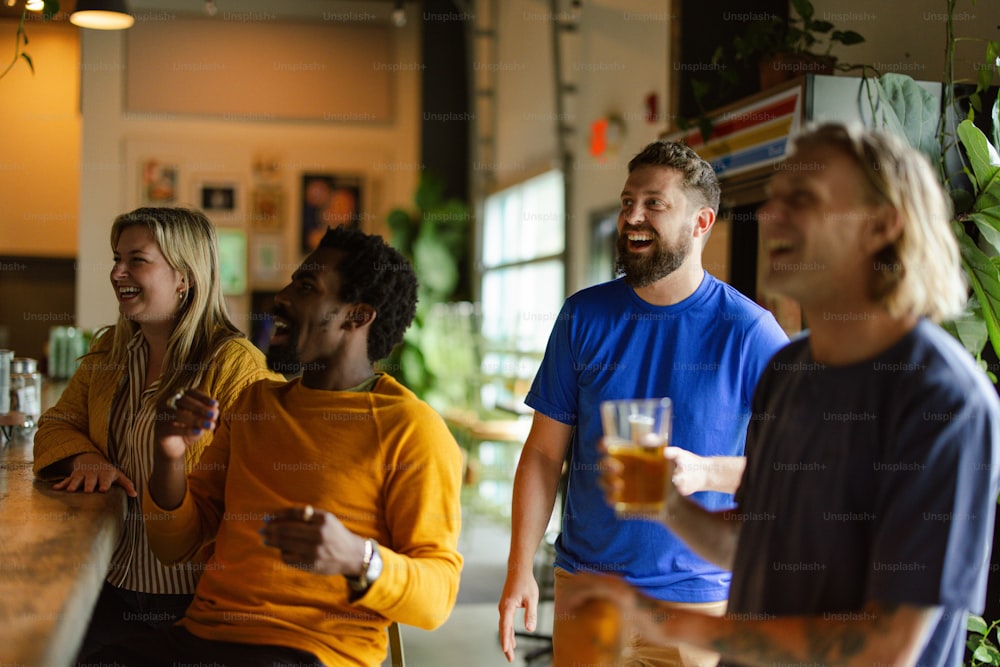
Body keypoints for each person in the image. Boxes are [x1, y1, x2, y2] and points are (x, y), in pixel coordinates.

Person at [571, 123, 1000, 667]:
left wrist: (664, 620)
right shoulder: (790, 369)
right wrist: (667, 504)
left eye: (803, 200)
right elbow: (760, 549)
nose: (771, 215)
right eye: (776, 199)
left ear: (881, 225)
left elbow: (886, 646)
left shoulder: (943, 401)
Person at [83, 225, 464, 666]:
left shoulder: (412, 429)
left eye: (305, 287)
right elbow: (176, 545)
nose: (281, 297)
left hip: (311, 652)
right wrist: (167, 455)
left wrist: (358, 557)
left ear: (357, 316)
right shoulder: (254, 403)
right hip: (201, 639)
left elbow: (437, 598)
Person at [498, 140, 789, 665]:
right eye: (628, 201)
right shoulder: (582, 317)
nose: (632, 216)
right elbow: (544, 453)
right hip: (586, 588)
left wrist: (705, 473)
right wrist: (521, 566)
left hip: (697, 600)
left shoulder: (749, 332)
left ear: (702, 222)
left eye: (654, 203)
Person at [33, 207, 280, 656]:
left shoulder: (236, 366)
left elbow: (264, 489)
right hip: (113, 583)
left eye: (136, 260)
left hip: (197, 603)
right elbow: (55, 423)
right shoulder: (110, 348)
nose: (117, 272)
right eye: (115, 258)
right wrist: (83, 457)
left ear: (184, 277)